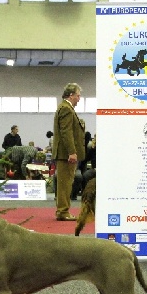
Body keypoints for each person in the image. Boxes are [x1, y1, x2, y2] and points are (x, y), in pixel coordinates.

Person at [53, 83, 85, 221]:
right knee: (65, 184)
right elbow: (66, 132)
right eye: (78, 95)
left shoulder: (65, 108)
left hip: (64, 153)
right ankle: (63, 212)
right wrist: (72, 152)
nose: (79, 98)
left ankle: (63, 210)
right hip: (65, 154)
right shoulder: (66, 109)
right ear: (71, 95)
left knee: (65, 183)